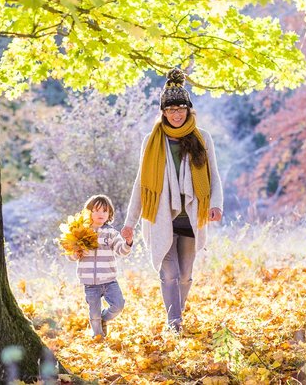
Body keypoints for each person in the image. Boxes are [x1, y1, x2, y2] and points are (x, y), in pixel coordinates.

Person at [121, 68, 223, 333]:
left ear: (189, 111)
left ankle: (176, 314)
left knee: (186, 276)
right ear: (163, 113)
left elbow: (213, 176)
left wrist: (215, 204)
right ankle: (174, 324)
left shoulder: (202, 139)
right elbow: (141, 183)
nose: (176, 115)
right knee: (169, 274)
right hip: (161, 218)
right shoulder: (151, 141)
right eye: (170, 110)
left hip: (190, 217)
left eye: (180, 109)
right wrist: (130, 221)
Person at [68, 194, 134, 340]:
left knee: (118, 305)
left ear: (109, 214)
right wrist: (76, 253)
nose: (100, 214)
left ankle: (104, 318)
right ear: (89, 212)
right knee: (94, 313)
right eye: (96, 210)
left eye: (105, 211)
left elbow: (121, 251)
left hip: (109, 280)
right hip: (90, 282)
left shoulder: (111, 233)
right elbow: (70, 255)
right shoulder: (81, 232)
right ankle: (98, 337)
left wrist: (128, 242)